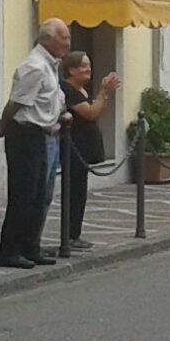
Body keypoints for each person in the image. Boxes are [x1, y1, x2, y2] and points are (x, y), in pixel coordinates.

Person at [0, 18, 72, 269]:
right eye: (63, 38)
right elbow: (17, 102)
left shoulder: (50, 66)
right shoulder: (35, 66)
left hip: (41, 133)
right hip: (25, 133)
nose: (68, 43)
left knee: (38, 196)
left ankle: (30, 246)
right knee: (24, 195)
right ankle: (10, 250)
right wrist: (3, 125)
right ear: (47, 39)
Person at [60, 51, 119, 250]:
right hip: (74, 149)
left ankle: (74, 233)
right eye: (84, 66)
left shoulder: (82, 90)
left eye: (89, 65)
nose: (89, 69)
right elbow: (91, 113)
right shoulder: (68, 90)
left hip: (83, 149)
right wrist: (104, 92)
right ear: (71, 70)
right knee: (74, 192)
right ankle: (69, 235)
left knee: (79, 193)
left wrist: (103, 94)